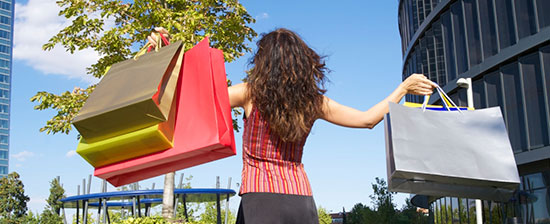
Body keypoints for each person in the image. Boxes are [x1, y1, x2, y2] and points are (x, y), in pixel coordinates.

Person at [149, 27, 436, 224]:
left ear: (264, 62)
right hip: (300, 199)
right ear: (302, 63)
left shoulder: (249, 93)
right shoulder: (314, 102)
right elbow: (367, 120)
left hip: (259, 198)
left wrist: (163, 59)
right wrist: (402, 89)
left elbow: (191, 100)